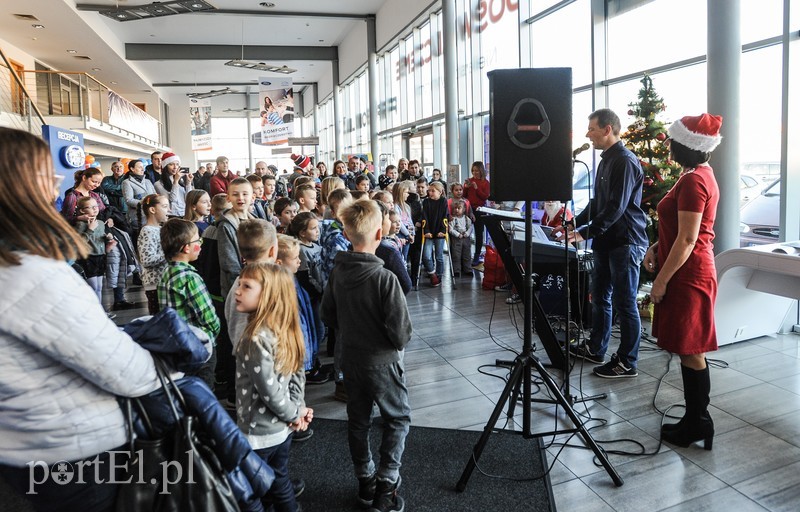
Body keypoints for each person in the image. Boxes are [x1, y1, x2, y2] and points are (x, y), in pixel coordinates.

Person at [0, 127, 160, 511]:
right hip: (72, 448)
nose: (56, 179)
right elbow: (127, 372)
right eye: (43, 172)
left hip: (25, 440)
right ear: (16, 185)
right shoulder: (29, 274)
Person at [320, 199, 412, 512]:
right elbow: (401, 333)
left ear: (347, 233)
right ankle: (387, 486)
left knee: (358, 421)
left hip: (351, 362)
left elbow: (327, 315)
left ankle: (365, 479)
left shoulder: (337, 273)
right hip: (383, 363)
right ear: (378, 233)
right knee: (397, 419)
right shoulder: (386, 278)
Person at [646, 113, 723, 450]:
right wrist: (654, 245)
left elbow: (689, 239)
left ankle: (698, 422)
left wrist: (660, 281)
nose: (669, 147)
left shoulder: (693, 181)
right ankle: (696, 420)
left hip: (688, 274)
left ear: (686, 145)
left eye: (673, 142)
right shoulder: (697, 175)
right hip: (688, 269)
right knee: (688, 348)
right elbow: (682, 230)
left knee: (691, 349)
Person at [558, 108, 649, 378]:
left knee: (625, 303)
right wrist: (575, 223)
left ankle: (627, 361)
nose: (588, 134)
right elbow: (598, 203)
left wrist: (585, 233)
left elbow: (617, 208)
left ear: (608, 129)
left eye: (592, 128)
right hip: (606, 241)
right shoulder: (606, 160)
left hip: (625, 241)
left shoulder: (625, 161)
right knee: (599, 298)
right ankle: (597, 348)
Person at [234, 262, 312, 512]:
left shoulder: (254, 338)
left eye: (246, 286)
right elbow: (297, 374)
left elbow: (269, 392)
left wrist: (293, 415)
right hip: (283, 429)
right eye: (239, 283)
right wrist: (297, 411)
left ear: (268, 295)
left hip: (258, 433)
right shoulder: (287, 329)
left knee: (246, 489)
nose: (237, 290)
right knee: (279, 477)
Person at [158, 218, 221, 390]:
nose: (200, 244)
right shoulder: (190, 277)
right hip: (200, 346)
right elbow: (209, 318)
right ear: (187, 247)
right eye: (198, 240)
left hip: (178, 344)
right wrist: (214, 334)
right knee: (204, 390)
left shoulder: (167, 272)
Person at [217, 177, 255, 297]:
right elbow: (229, 264)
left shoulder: (257, 222)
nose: (240, 198)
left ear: (253, 197)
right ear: (228, 198)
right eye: (235, 194)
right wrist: (243, 288)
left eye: (245, 194)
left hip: (257, 284)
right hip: (237, 289)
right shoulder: (225, 226)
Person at [137, 194, 170, 314]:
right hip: (155, 286)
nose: (169, 210)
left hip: (163, 283)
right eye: (165, 206)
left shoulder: (159, 229)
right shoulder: (147, 231)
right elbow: (147, 260)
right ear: (152, 210)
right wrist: (170, 252)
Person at [421, 181, 448, 287]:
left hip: (440, 232)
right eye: (429, 191)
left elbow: (444, 217)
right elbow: (425, 217)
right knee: (427, 256)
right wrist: (426, 231)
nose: (430, 193)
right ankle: (432, 274)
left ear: (440, 192)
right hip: (429, 232)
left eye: (433, 191)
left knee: (439, 256)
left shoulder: (443, 201)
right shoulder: (426, 202)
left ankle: (439, 275)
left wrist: (443, 230)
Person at [463, 161, 490, 269]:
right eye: (473, 170)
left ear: (481, 171)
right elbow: (464, 196)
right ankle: (465, 256)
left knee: (479, 234)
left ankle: (476, 256)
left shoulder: (485, 183)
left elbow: (484, 197)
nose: (475, 172)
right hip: (469, 209)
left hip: (480, 210)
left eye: (477, 170)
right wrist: (465, 187)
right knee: (466, 232)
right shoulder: (470, 181)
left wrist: (476, 188)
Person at [154, 152, 194, 217]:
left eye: (177, 164)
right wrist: (175, 182)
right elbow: (173, 200)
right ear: (165, 166)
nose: (175, 167)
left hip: (185, 213)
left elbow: (188, 199)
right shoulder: (158, 184)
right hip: (171, 215)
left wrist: (188, 183)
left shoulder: (182, 180)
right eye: (171, 164)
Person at [122, 158, 156, 233]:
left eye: (143, 167)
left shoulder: (148, 181)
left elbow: (155, 195)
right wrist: (144, 202)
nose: (143, 169)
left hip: (151, 216)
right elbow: (129, 200)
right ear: (132, 169)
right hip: (137, 217)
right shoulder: (127, 182)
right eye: (140, 167)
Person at [449, 199, 474, 277]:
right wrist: (457, 234)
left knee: (467, 255)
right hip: (456, 239)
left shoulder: (467, 219)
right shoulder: (453, 219)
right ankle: (456, 270)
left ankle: (468, 269)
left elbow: (470, 227)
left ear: (463, 210)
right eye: (455, 208)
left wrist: (467, 233)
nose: (456, 210)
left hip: (466, 238)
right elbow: (450, 229)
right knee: (456, 255)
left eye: (459, 208)